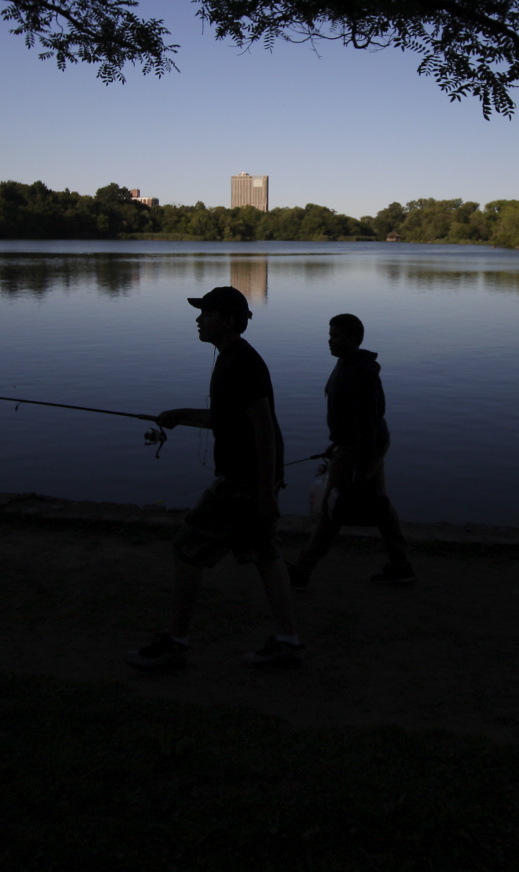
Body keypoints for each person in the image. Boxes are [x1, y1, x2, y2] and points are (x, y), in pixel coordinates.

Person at [126, 285, 304, 670]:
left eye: (205, 314)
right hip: (253, 479)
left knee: (188, 547)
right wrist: (180, 414)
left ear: (227, 320)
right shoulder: (231, 358)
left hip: (242, 481)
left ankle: (175, 643)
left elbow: (263, 429)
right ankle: (287, 642)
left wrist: (265, 491)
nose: (197, 320)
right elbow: (226, 420)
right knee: (265, 554)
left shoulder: (242, 363)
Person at [288, 312, 414, 587]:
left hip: (360, 447)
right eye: (329, 335)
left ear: (353, 339)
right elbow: (349, 417)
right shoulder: (346, 364)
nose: (330, 341)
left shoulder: (361, 373)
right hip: (356, 444)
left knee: (332, 509)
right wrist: (336, 443)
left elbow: (367, 423)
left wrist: (359, 467)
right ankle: (400, 564)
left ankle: (301, 569)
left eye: (335, 336)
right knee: (380, 503)